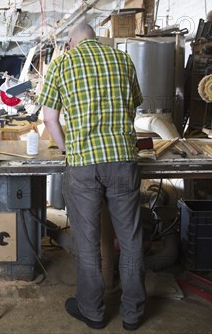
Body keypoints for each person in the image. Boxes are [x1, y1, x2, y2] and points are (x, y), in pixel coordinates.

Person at [38, 23, 146, 331]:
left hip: (84, 163)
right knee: (130, 238)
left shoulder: (63, 62)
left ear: (72, 41)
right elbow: (133, 106)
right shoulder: (123, 60)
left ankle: (93, 311)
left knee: (87, 241)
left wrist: (68, 148)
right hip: (123, 160)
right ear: (95, 38)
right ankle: (133, 314)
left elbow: (49, 117)